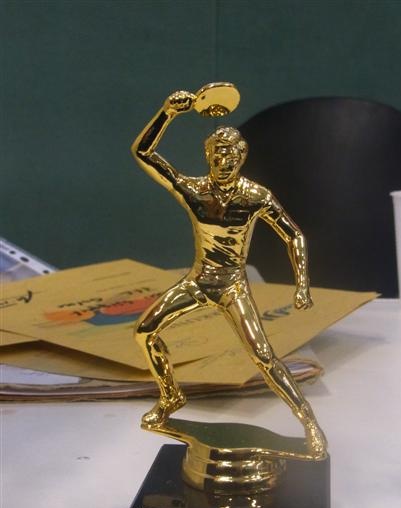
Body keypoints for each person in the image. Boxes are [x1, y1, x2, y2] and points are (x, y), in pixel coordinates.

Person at [131, 89, 327, 459]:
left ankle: (309, 423)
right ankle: (171, 396)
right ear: (208, 156)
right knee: (145, 332)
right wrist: (167, 113)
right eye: (218, 154)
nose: (225, 160)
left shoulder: (255, 196)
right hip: (199, 281)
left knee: (264, 357)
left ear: (242, 158)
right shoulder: (193, 190)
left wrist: (302, 285)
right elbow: (143, 153)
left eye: (232, 155)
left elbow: (294, 235)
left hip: (233, 286)